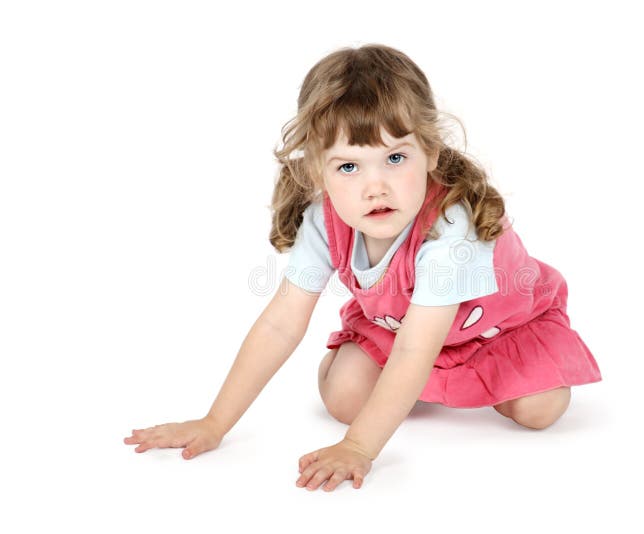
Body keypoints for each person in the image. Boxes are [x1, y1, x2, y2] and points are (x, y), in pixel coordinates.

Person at [123, 43, 602, 492]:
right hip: (403, 330)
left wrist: (359, 447)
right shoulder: (323, 220)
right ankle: (406, 387)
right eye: (349, 167)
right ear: (317, 170)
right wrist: (214, 422)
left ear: (430, 153)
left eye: (395, 158)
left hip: (497, 331)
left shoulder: (449, 229)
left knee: (540, 410)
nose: (376, 187)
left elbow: (418, 347)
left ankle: (451, 384)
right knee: (344, 399)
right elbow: (278, 324)